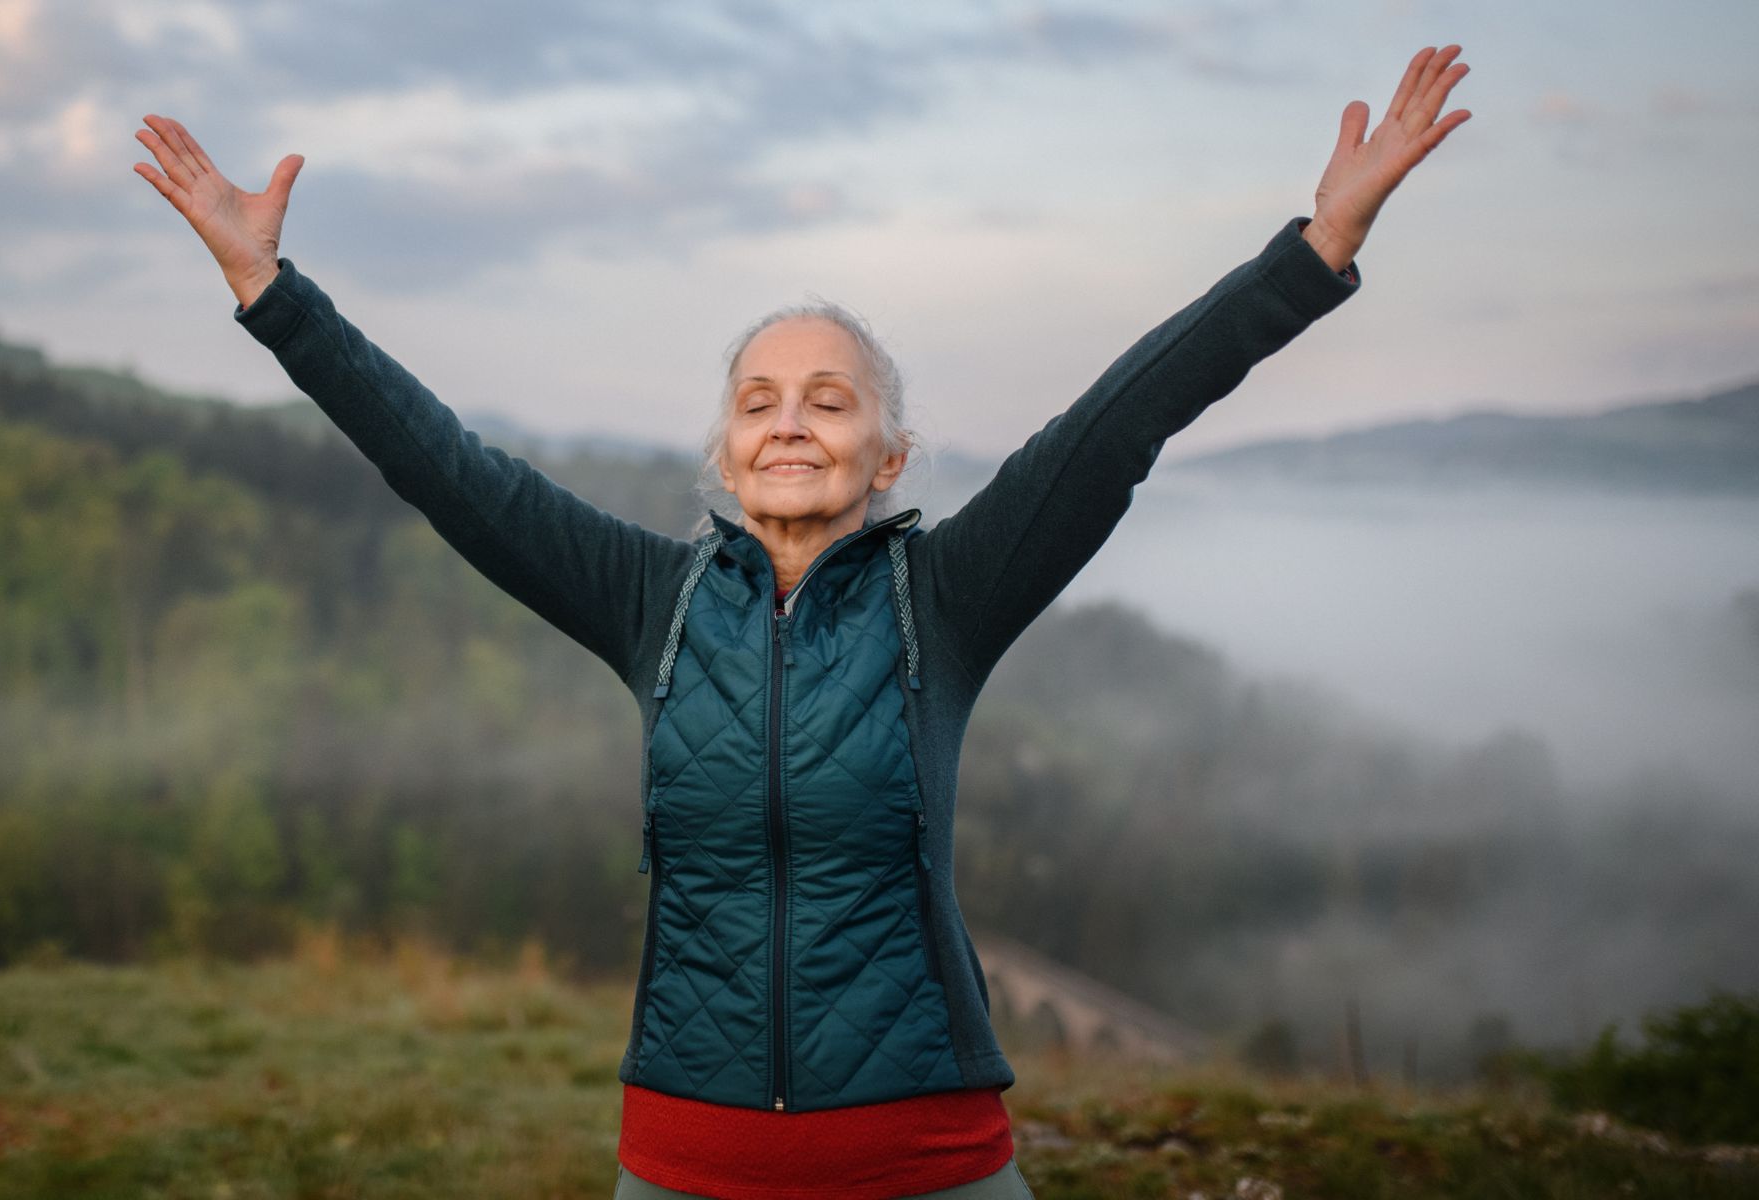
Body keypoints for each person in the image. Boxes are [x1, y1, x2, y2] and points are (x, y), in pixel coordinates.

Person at [132, 43, 1472, 1200]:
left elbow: (1122, 420)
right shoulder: (647, 603)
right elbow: (447, 468)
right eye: (761, 398)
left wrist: (1317, 251)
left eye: (829, 399)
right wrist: (273, 291)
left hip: (931, 1159)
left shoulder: (944, 598)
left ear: (887, 456)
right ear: (724, 449)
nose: (789, 419)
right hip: (683, 1159)